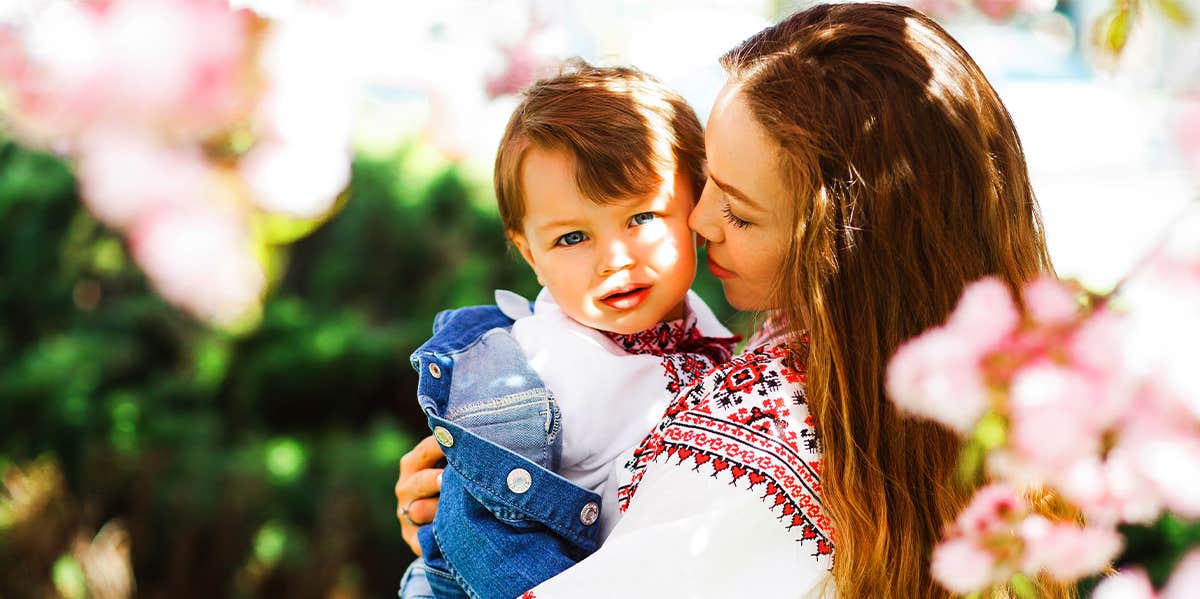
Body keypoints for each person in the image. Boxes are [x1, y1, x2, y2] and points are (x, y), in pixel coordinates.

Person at [398, 4, 1074, 597]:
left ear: (846, 250)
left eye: (741, 213)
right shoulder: (955, 401)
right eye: (709, 185)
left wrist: (452, 535)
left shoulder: (752, 458)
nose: (698, 221)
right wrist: (465, 502)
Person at [398, 63, 739, 599]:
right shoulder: (536, 368)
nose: (613, 259)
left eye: (642, 217)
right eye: (573, 237)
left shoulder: (722, 345)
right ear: (530, 254)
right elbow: (479, 527)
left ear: (696, 206)